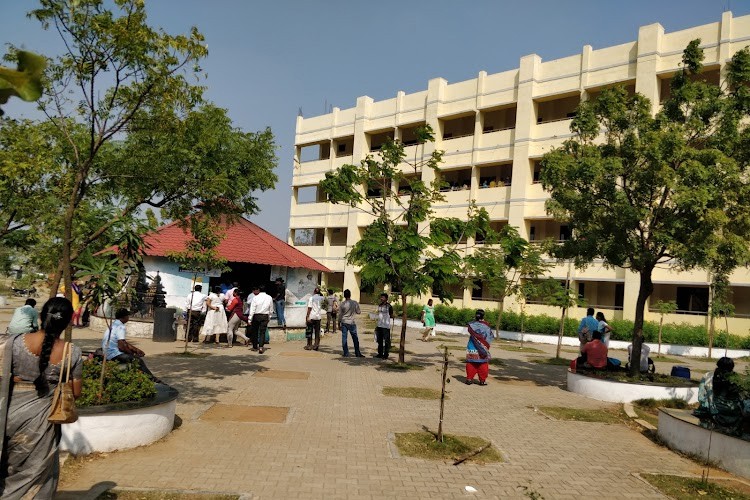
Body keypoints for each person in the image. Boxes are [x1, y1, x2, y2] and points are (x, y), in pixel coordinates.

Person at [0, 297, 83, 498]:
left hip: (9, 414)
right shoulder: (72, 352)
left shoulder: (14, 342)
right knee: (36, 472)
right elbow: (76, 393)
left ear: (40, 316)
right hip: (42, 422)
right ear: (68, 321)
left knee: (8, 466)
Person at [103, 308, 158, 381]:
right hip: (113, 354)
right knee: (138, 361)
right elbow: (121, 347)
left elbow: (123, 342)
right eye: (127, 316)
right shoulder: (121, 327)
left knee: (133, 358)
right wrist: (132, 354)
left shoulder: (114, 324)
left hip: (107, 352)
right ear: (124, 317)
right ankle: (152, 379)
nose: (128, 318)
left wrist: (135, 349)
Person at [465, 309, 493, 385]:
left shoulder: (471, 325)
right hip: (483, 348)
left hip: (472, 347)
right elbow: (489, 336)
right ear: (483, 316)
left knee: (471, 363)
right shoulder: (486, 326)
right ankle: (482, 380)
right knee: (483, 364)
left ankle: (469, 379)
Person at [248, 285, 273, 353]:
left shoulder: (255, 298)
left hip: (256, 315)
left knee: (255, 331)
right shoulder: (269, 297)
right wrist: (269, 317)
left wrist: (250, 319)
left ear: (259, 290)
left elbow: (252, 309)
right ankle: (261, 347)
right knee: (262, 332)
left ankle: (255, 346)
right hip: (265, 316)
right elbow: (271, 309)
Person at [338, 289, 362, 357]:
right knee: (355, 338)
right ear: (350, 295)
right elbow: (358, 312)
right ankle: (357, 352)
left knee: (344, 337)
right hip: (351, 322)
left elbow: (340, 315)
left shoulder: (342, 304)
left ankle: (346, 353)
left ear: (344, 296)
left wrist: (338, 323)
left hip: (344, 321)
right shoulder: (354, 303)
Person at [375, 293, 394, 359]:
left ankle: (386, 354)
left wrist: (393, 316)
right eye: (381, 297)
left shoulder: (389, 306)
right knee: (379, 340)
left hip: (386, 326)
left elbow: (391, 315)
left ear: (386, 298)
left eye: (383, 297)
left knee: (386, 341)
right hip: (379, 325)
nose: (381, 298)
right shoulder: (379, 305)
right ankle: (380, 353)